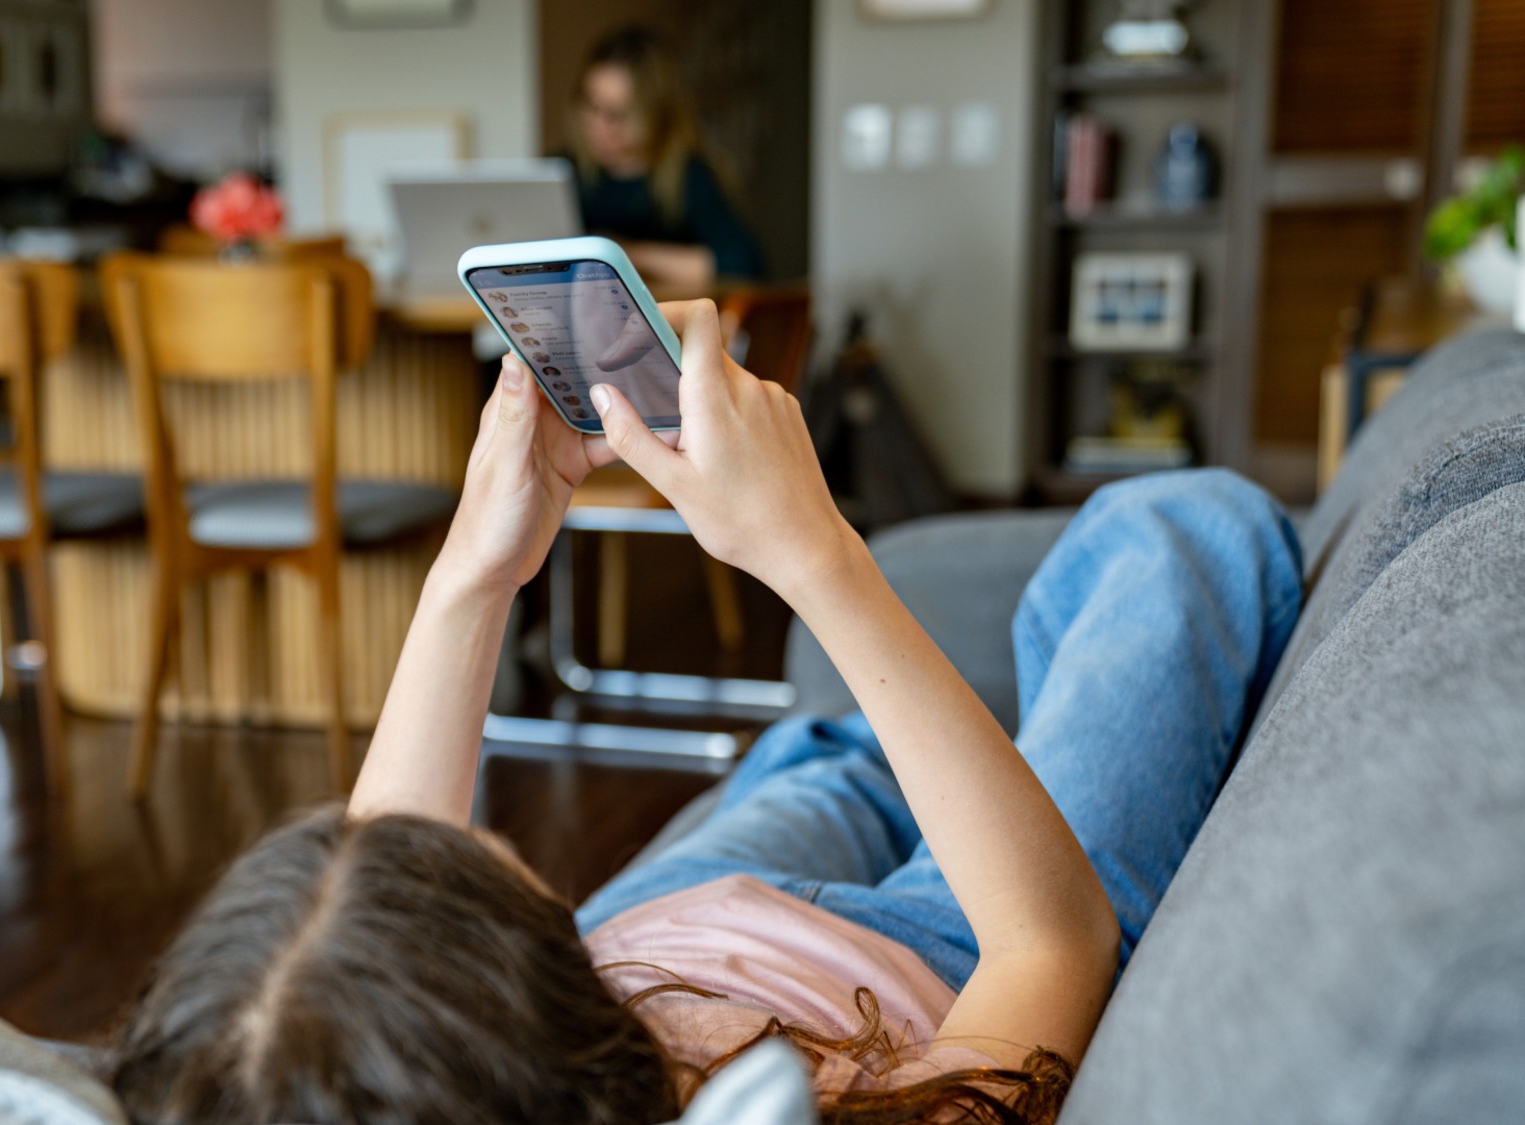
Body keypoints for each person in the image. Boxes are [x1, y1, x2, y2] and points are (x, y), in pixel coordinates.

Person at [106, 301, 1303, 1124]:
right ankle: (966, 778)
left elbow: (375, 940)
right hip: (920, 966)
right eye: (489, 871)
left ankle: (913, 761)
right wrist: (810, 551)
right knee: (1180, 529)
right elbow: (1050, 944)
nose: (452, 839)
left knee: (824, 756)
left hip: (647, 950)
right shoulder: (868, 1106)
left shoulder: (346, 1076)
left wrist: (476, 569)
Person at [568, 27, 763, 287]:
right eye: (592, 107)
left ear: (654, 113)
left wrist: (629, 254)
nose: (600, 126)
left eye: (617, 114)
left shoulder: (688, 176)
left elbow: (743, 264)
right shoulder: (564, 172)